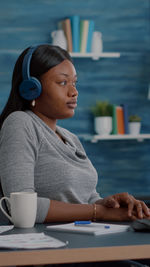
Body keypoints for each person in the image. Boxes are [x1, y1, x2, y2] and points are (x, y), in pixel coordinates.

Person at [0, 44, 149, 267]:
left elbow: (86, 200)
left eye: (74, 83)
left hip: (82, 243)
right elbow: (21, 206)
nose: (74, 92)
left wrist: (107, 204)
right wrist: (99, 212)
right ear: (32, 88)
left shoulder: (70, 138)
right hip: (47, 252)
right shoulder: (20, 123)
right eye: (62, 82)